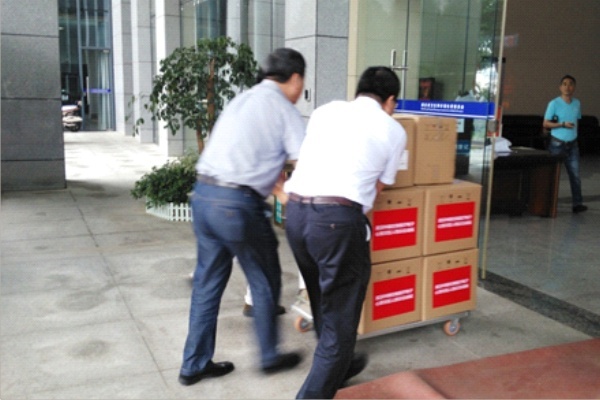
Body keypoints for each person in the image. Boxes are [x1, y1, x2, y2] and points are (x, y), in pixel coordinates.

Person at [178, 48, 306, 386]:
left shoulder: (241, 100)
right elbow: (306, 162)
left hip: (204, 197)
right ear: (295, 78)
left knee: (207, 285)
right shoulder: (283, 107)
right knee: (265, 277)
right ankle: (269, 356)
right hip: (236, 205)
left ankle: (193, 364)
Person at [284, 66, 407, 399]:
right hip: (335, 221)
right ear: (390, 100)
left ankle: (341, 365)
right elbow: (378, 187)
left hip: (296, 214)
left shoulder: (325, 112)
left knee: (323, 298)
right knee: (341, 320)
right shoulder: (394, 130)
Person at [543, 74, 587, 214]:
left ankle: (577, 204)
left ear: (574, 87)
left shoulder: (577, 103)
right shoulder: (554, 103)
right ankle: (548, 204)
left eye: (570, 84)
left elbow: (576, 120)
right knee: (553, 175)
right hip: (557, 144)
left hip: (572, 144)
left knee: (575, 175)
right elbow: (546, 124)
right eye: (565, 84)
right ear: (560, 87)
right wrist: (562, 124)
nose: (567, 87)